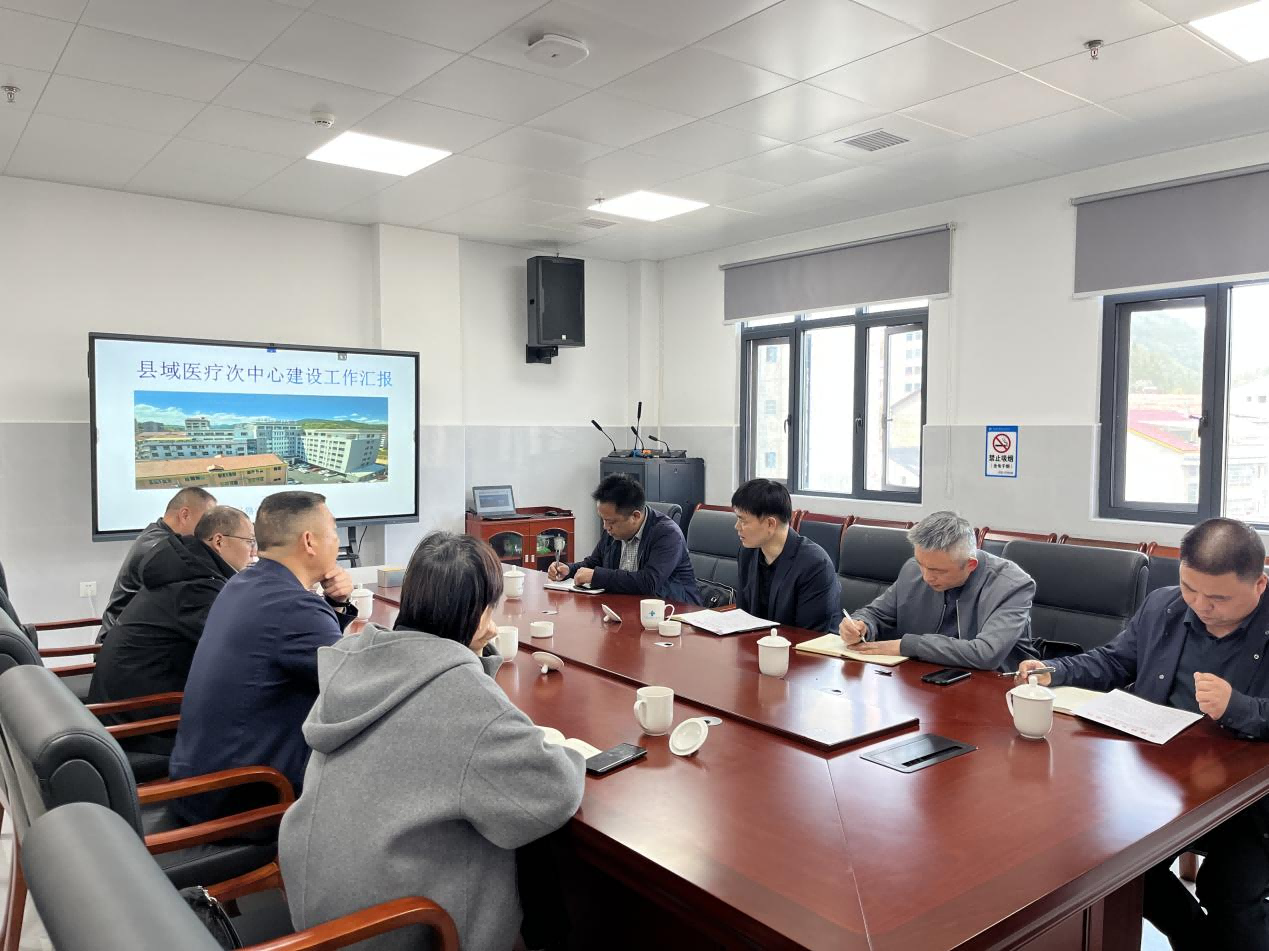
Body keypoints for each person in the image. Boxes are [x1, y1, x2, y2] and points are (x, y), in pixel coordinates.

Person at [280, 532, 586, 951]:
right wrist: (568, 750)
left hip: (318, 912)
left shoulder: (357, 662)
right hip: (397, 928)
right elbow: (553, 791)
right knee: (528, 849)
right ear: (480, 612)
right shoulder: (460, 696)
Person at [1017, 518, 1269, 950]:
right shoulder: (1164, 606)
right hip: (1161, 779)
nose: (1201, 605)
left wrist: (1239, 707)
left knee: (1229, 892)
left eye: (1218, 597)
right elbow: (1116, 661)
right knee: (1113, 864)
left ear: (1260, 583)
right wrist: (1056, 670)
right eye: (1190, 588)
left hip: (1249, 800)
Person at [168, 491, 355, 824]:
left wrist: (336, 605)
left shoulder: (242, 583)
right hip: (245, 799)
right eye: (334, 531)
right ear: (309, 541)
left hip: (201, 781)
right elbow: (355, 688)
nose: (337, 541)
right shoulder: (295, 607)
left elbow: (308, 653)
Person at [86, 506, 255, 755]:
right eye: (250, 541)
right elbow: (240, 649)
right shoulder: (194, 587)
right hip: (141, 729)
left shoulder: (186, 571)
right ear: (219, 541)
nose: (255, 551)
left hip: (126, 709)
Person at [840, 511, 1037, 671]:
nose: (926, 577)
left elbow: (986, 654)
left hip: (993, 685)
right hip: (923, 677)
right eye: (921, 564)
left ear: (970, 565)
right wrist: (860, 626)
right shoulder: (913, 569)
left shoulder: (1012, 585)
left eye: (938, 571)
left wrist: (907, 646)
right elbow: (876, 614)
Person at [547, 474, 701, 604]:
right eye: (603, 520)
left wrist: (596, 576)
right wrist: (569, 570)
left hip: (675, 613)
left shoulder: (667, 534)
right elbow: (594, 562)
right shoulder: (613, 530)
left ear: (635, 516)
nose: (605, 527)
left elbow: (649, 582)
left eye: (611, 521)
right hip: (628, 608)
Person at [99, 487, 216, 639]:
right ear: (185, 515)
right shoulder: (159, 548)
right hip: (123, 643)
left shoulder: (158, 536)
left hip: (138, 635)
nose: (210, 529)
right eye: (206, 521)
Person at [732, 479, 841, 632]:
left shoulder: (815, 565)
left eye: (742, 520)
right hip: (760, 642)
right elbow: (743, 617)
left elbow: (809, 635)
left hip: (808, 645)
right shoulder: (747, 553)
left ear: (770, 524)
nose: (737, 526)